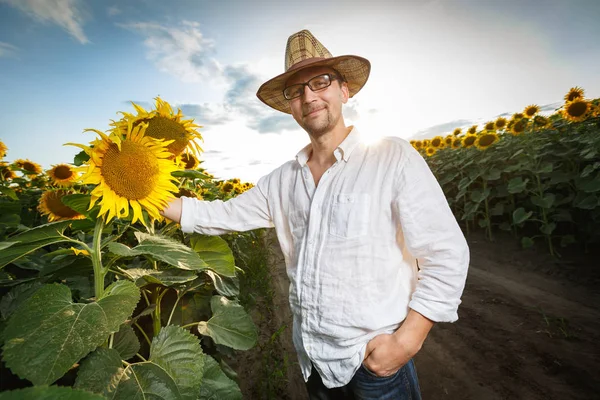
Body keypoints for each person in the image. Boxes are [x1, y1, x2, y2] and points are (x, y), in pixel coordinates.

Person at [161, 29, 470, 399]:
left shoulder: (392, 157)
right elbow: (219, 214)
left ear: (345, 90)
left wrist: (406, 341)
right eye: (296, 90)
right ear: (290, 106)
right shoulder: (282, 181)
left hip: (374, 364)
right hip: (313, 363)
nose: (309, 96)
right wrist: (136, 188)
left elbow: (446, 254)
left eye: (320, 82)